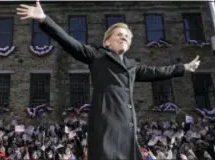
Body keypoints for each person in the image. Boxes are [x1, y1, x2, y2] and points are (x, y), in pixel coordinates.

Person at [16, 1, 201, 159]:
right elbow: (70, 43)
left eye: (127, 36)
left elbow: (158, 72)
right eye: (119, 34)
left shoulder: (132, 65)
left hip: (127, 130)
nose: (124, 37)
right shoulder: (96, 55)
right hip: (106, 128)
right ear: (107, 41)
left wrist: (183, 68)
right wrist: (43, 19)